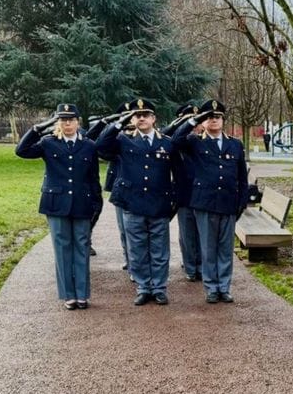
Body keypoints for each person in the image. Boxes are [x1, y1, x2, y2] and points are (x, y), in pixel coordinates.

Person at [15, 104, 102, 310]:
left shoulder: (89, 145)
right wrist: (36, 129)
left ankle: (82, 294)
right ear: (57, 123)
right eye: (62, 120)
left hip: (82, 202)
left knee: (81, 247)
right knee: (62, 248)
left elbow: (93, 177)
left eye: (71, 119)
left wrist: (97, 203)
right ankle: (68, 295)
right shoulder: (48, 142)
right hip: (56, 204)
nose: (67, 123)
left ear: (78, 122)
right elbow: (22, 151)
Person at [95, 98, 177, 306]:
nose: (141, 118)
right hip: (133, 204)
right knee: (137, 249)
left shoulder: (166, 142)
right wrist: (118, 123)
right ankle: (143, 287)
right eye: (137, 115)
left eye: (145, 115)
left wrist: (174, 201)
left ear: (153, 118)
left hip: (159, 203)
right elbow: (100, 146)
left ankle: (159, 287)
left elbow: (178, 173)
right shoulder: (123, 140)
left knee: (160, 250)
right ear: (132, 119)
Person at [170, 99, 248, 304]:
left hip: (228, 203)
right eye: (208, 117)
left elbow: (242, 176)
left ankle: (224, 287)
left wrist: (242, 201)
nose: (213, 120)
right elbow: (175, 140)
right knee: (208, 247)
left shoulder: (235, 144)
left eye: (217, 117)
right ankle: (211, 288)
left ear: (223, 120)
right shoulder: (195, 142)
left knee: (225, 248)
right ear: (202, 122)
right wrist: (192, 120)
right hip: (204, 203)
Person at [87, 102, 131, 273]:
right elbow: (99, 148)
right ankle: (128, 257)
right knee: (123, 226)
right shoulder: (114, 135)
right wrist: (109, 125)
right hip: (119, 181)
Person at [170, 103, 203, 282]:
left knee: (202, 233)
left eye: (198, 121)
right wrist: (184, 123)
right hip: (184, 194)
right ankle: (191, 267)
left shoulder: (203, 141)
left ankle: (201, 265)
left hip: (202, 194)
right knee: (187, 233)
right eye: (191, 121)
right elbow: (173, 137)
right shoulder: (179, 141)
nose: (195, 126)